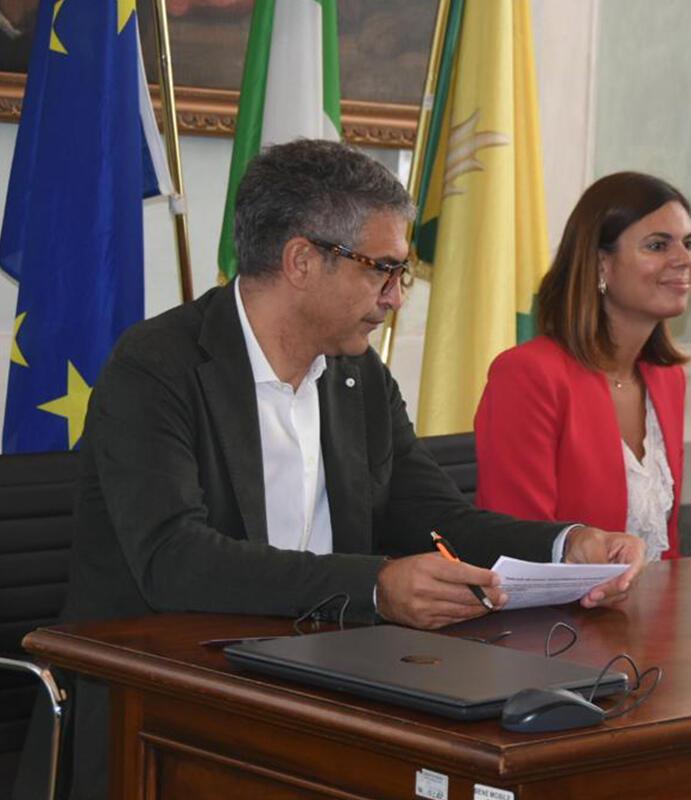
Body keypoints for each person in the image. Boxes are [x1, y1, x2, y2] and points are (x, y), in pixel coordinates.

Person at [16, 140, 645, 800]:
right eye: (384, 270)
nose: (395, 297)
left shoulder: (358, 375)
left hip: (325, 687)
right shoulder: (156, 367)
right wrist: (374, 587)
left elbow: (437, 517)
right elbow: (175, 560)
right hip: (159, 710)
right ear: (302, 261)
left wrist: (567, 544)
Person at [474, 172, 691, 562]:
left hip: (652, 601)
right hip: (554, 603)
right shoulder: (527, 375)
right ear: (600, 264)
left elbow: (667, 553)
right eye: (658, 245)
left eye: (689, 244)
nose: (685, 261)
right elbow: (520, 551)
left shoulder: (668, 379)